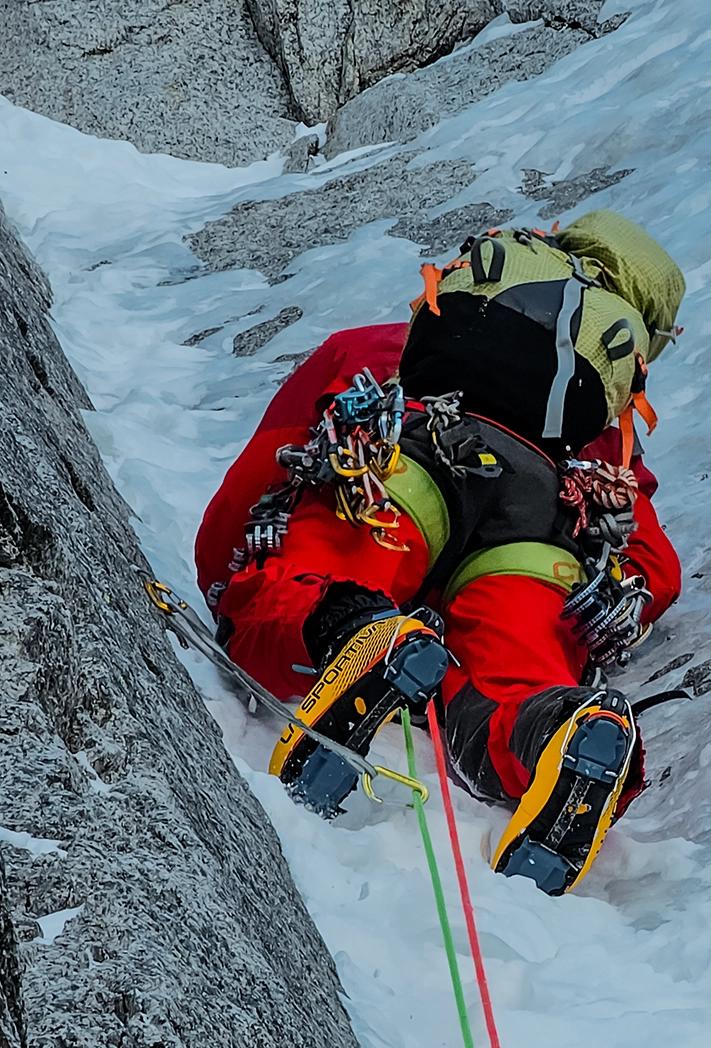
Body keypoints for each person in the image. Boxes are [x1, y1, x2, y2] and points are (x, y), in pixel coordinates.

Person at [194, 211, 686, 895]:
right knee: (515, 680)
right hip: (536, 520)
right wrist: (597, 601)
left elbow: (275, 457)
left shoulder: (391, 342)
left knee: (319, 584)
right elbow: (652, 564)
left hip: (402, 457)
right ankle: (555, 732)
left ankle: (356, 632)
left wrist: (233, 575)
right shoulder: (597, 428)